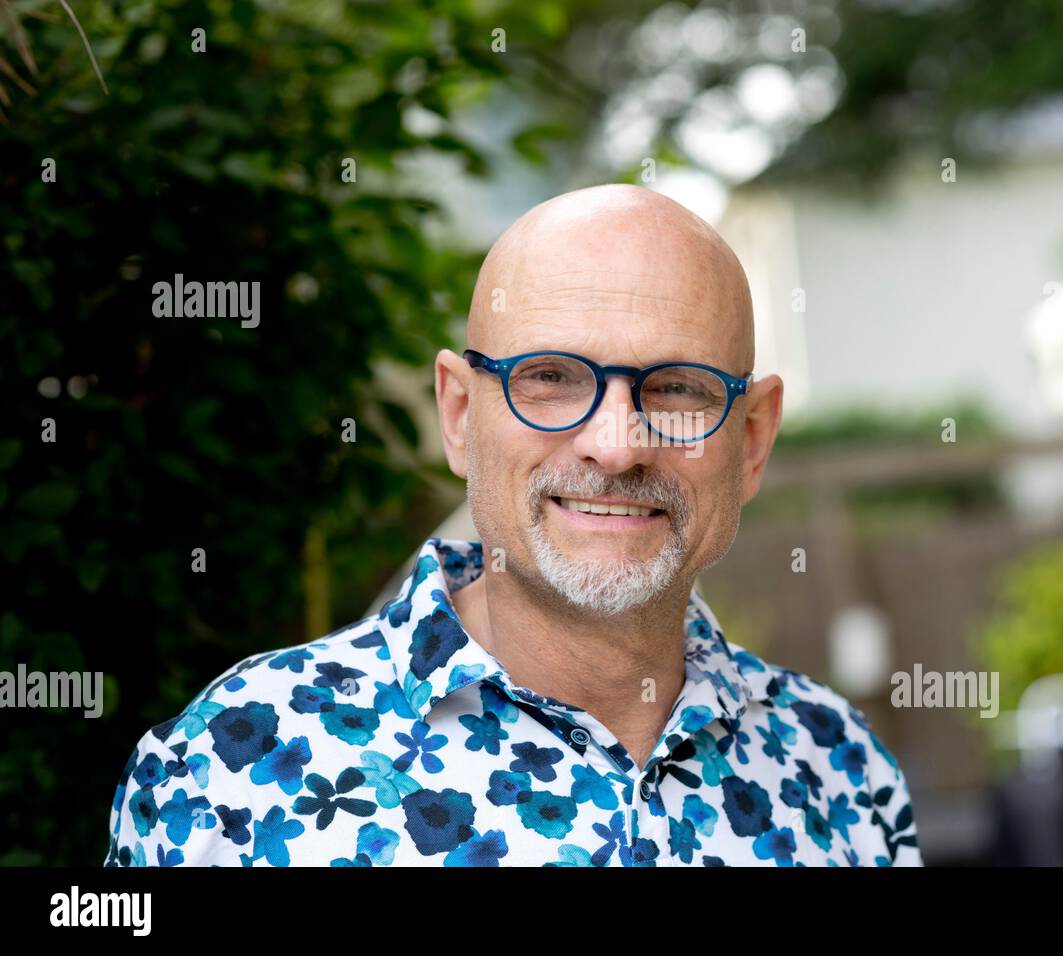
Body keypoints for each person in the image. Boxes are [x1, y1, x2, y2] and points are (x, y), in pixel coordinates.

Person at [103, 184, 922, 866]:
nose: (615, 445)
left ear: (751, 441)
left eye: (677, 388)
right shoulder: (231, 774)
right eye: (553, 378)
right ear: (459, 415)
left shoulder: (839, 768)